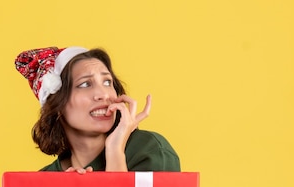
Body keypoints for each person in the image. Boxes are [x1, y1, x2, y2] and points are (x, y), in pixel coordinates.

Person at [15, 46, 180, 173]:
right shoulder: (44, 180)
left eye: (107, 82)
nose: (103, 94)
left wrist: (115, 151)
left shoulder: (149, 151)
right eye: (85, 84)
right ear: (57, 106)